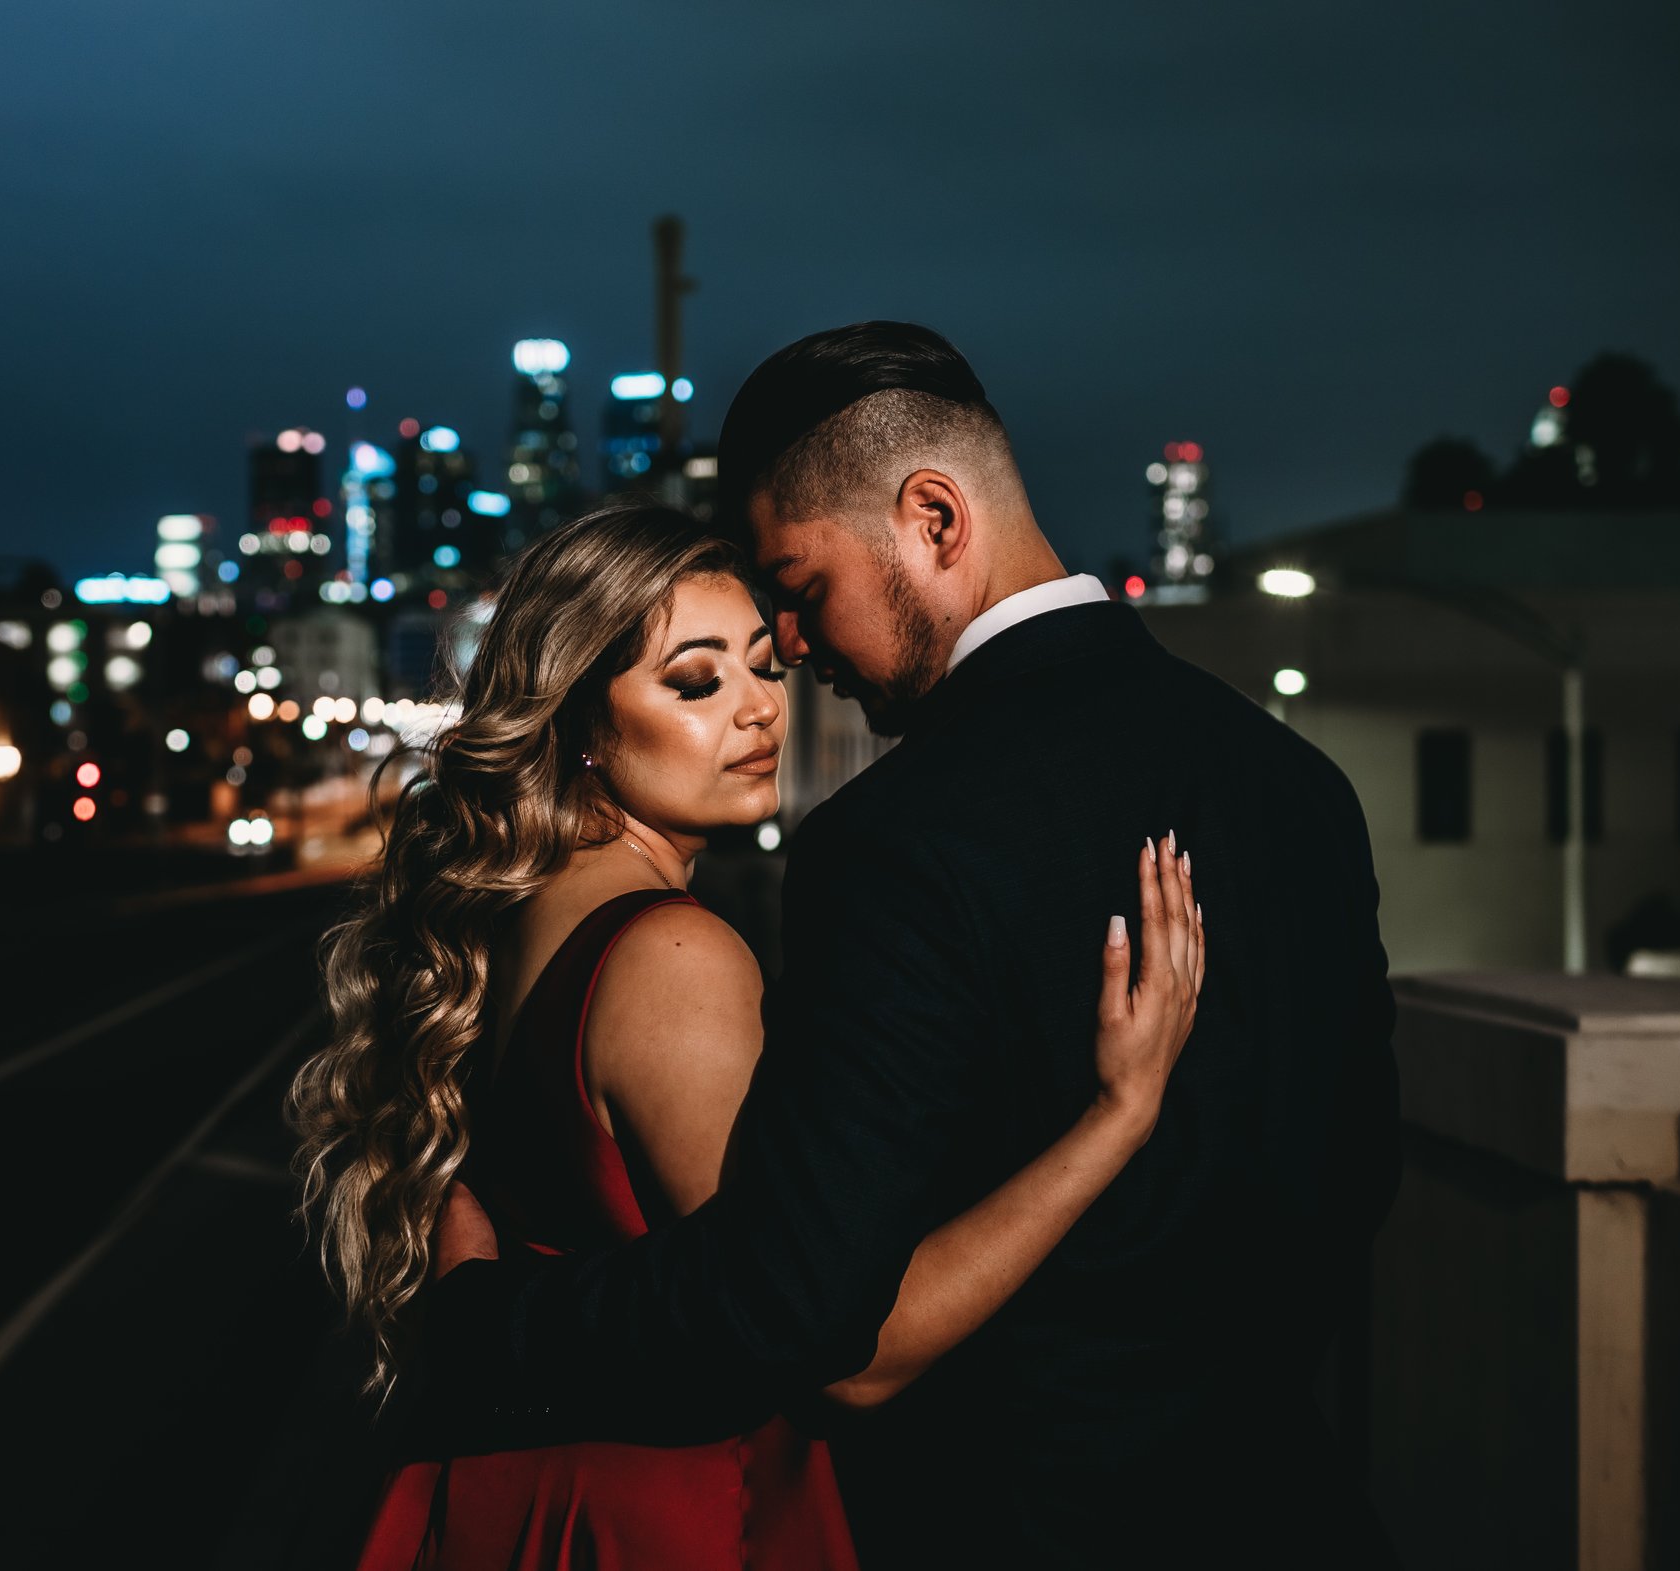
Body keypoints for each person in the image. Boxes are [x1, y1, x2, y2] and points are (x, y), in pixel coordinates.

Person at [420, 322, 1404, 1569]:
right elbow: (1359, 1166)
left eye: (799, 585)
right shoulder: (1300, 786)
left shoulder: (894, 840)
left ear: (933, 519)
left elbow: (800, 1304)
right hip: (1282, 1506)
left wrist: (495, 1325)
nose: (792, 648)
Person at [286, 499, 1205, 1569]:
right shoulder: (671, 956)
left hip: (527, 1492)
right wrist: (1116, 1114)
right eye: (694, 679)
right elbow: (841, 1347)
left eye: (764, 664)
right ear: (582, 724)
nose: (759, 706)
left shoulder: (512, 917)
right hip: (670, 1511)